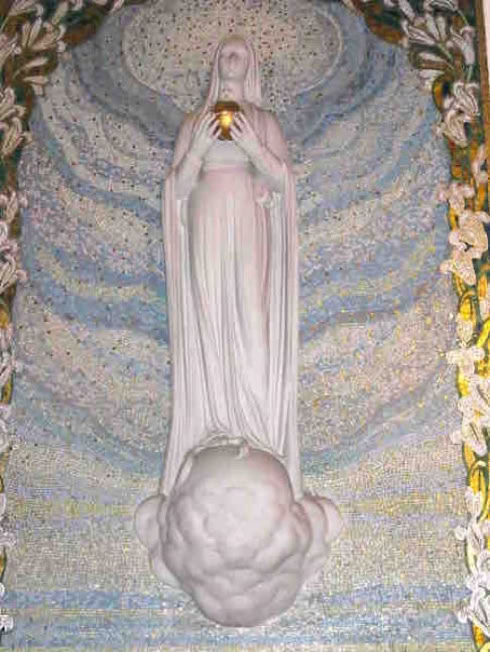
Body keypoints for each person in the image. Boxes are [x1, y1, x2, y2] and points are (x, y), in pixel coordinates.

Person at [161, 35, 300, 497]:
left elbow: (282, 180)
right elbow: (178, 189)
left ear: (251, 64)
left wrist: (254, 147)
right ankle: (215, 425)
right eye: (225, 53)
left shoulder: (262, 120)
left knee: (250, 316)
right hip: (205, 219)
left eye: (239, 52)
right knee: (209, 314)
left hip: (247, 220)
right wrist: (197, 149)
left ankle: (256, 430)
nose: (231, 58)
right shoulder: (195, 122)